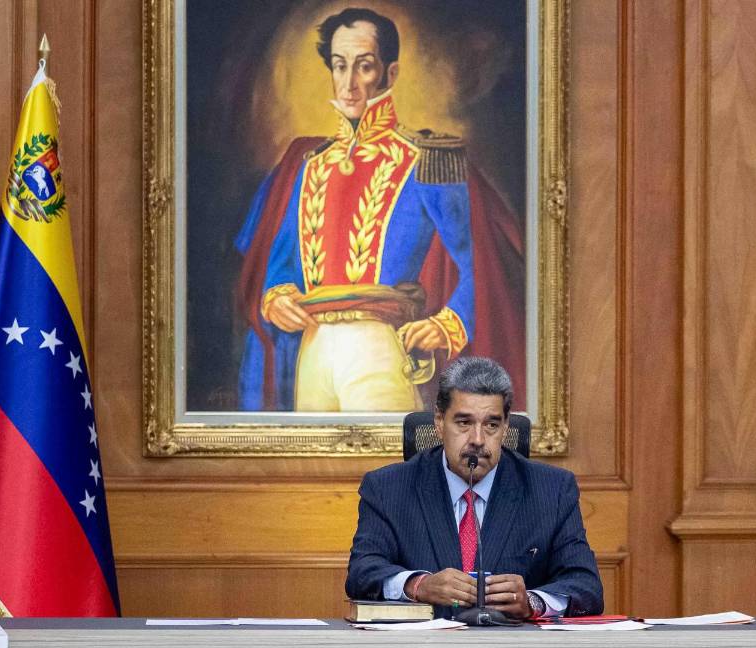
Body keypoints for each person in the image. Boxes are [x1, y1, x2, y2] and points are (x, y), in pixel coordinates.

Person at [234, 8, 525, 412]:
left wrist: (448, 322)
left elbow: (479, 264)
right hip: (313, 350)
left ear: (390, 74)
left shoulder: (427, 160)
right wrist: (277, 295)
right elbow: (281, 264)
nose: (349, 83)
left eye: (364, 66)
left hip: (378, 348)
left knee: (388, 471)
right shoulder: (308, 164)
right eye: (339, 66)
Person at [345, 357, 603, 619]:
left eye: (491, 424)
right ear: (439, 421)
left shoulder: (552, 490)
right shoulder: (388, 488)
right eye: (464, 423)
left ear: (505, 427)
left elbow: (586, 586)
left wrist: (532, 603)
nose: (478, 440)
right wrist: (418, 586)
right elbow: (362, 573)